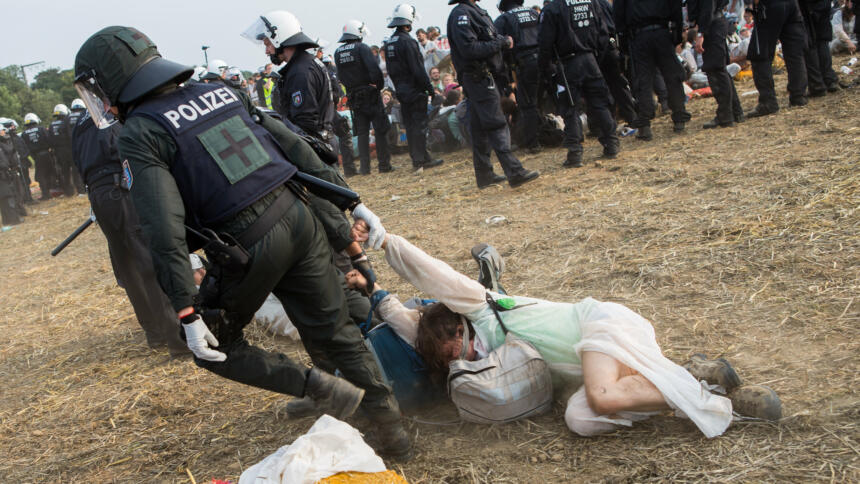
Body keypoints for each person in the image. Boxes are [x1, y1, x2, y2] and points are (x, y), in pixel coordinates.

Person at [74, 24, 410, 459]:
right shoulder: (219, 90)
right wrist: (350, 201)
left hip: (248, 243)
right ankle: (392, 431)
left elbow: (162, 226)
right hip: (299, 218)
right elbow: (297, 148)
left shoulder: (140, 131)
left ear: (111, 80)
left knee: (215, 346)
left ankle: (319, 388)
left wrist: (186, 310)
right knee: (334, 330)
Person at [349, 221, 784, 438]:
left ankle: (718, 400)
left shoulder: (480, 309)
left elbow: (432, 274)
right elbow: (407, 324)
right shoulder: (476, 359)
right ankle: (693, 373)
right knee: (580, 418)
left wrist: (380, 240)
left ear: (454, 326)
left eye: (447, 347)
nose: (450, 359)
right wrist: (371, 286)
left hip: (598, 325)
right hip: (595, 362)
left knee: (603, 397)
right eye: (443, 358)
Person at [71, 113, 190, 357]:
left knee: (128, 266)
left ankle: (155, 333)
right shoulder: (112, 117)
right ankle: (177, 339)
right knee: (148, 262)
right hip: (121, 191)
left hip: (99, 195)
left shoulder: (81, 123)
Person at [447, 0, 540, 189]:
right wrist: (502, 42)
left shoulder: (475, 12)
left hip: (483, 78)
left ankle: (485, 175)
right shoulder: (462, 15)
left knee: (480, 127)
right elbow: (470, 49)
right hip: (479, 77)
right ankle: (514, 172)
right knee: (497, 124)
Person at [539, 0, 620, 167]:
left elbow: (545, 43)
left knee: (570, 108)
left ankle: (575, 153)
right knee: (599, 104)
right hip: (591, 60)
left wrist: (547, 68)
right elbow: (603, 33)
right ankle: (611, 144)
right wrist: (596, 57)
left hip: (568, 64)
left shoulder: (552, 9)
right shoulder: (593, 3)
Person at [615, 0, 692, 140]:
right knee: (672, 75)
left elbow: (619, 14)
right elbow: (675, 7)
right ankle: (679, 116)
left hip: (639, 36)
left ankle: (644, 125)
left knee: (643, 80)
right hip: (661, 33)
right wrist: (676, 34)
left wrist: (624, 44)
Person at [385, 4, 444, 172]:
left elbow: (390, 71)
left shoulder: (390, 43)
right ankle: (422, 160)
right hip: (414, 89)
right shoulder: (408, 41)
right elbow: (417, 69)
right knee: (419, 126)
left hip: (401, 90)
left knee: (410, 126)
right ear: (408, 21)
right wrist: (430, 90)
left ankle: (418, 159)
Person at [335, 20, 394, 175]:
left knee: (362, 132)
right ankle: (384, 165)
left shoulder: (338, 52)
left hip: (353, 96)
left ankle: (365, 168)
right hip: (369, 93)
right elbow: (374, 70)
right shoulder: (362, 48)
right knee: (380, 129)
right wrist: (379, 86)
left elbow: (340, 75)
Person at [495, 0, 544, 154]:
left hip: (524, 64)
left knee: (528, 104)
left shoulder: (503, 19)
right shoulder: (533, 13)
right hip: (544, 60)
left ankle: (533, 143)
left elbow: (499, 47)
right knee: (545, 101)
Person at [745, 0, 809, 117]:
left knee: (760, 55)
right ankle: (799, 95)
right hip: (792, 5)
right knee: (794, 52)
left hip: (771, 6)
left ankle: (768, 102)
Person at [688, 0, 745, 128]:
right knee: (719, 70)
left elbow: (708, 5)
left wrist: (701, 33)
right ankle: (735, 112)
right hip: (713, 23)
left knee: (716, 70)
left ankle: (725, 115)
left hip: (712, 24)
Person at [801, 0, 840, 96]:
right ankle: (829, 80)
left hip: (809, 12)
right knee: (823, 44)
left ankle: (818, 84)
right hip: (821, 9)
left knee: (813, 46)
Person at [21, 113, 57, 201]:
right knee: (49, 172)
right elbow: (49, 139)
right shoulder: (41, 129)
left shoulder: (24, 134)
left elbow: (25, 146)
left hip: (36, 156)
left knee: (41, 176)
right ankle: (52, 191)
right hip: (46, 153)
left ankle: (45, 194)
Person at [1, 118, 34, 204]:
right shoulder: (8, 140)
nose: (13, 127)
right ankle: (26, 199)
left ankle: (28, 197)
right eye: (11, 125)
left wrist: (26, 159)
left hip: (23, 161)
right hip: (18, 164)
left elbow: (23, 148)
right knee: (22, 182)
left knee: (26, 181)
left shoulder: (15, 137)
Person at [0, 123, 24, 226]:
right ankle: (13, 220)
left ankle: (10, 220)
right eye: (2, 131)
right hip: (3, 174)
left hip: (5, 172)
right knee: (7, 196)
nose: (4, 132)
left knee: (8, 196)